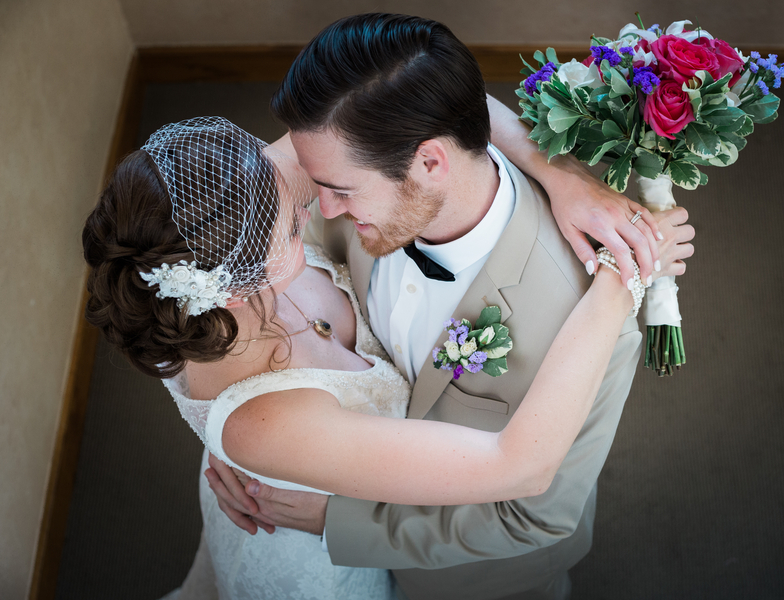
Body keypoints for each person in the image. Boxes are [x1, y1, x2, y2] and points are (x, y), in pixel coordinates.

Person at [202, 13, 694, 600]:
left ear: (430, 162)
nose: (320, 210)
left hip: (466, 577)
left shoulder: (589, 313)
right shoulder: (357, 164)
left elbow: (534, 516)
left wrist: (335, 520)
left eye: (341, 190)